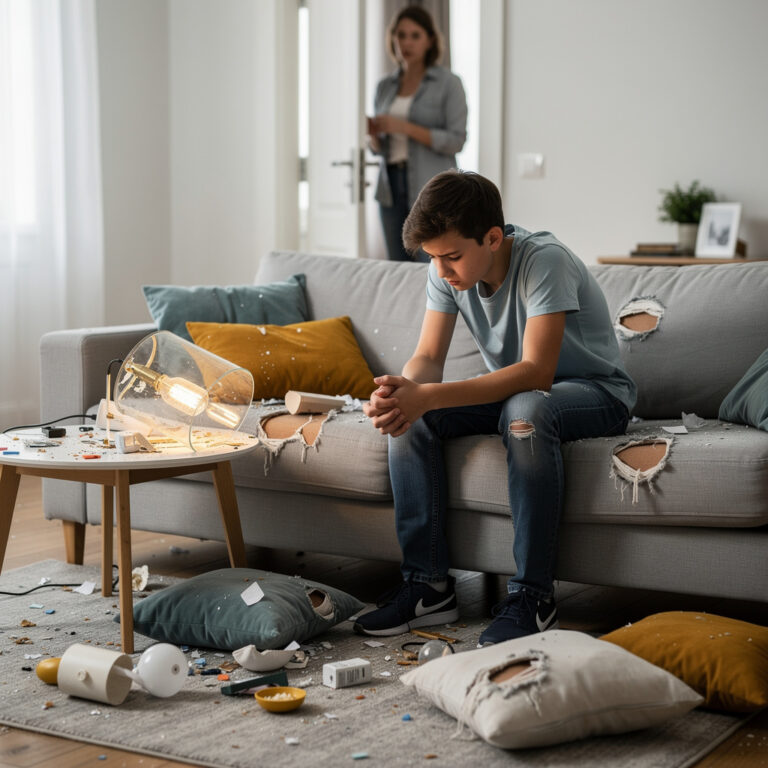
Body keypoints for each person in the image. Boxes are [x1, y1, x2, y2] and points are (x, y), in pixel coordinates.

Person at [355, 170, 637, 645]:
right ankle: (428, 587)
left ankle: (534, 597)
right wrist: (402, 393)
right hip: (516, 396)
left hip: (595, 393)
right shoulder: (443, 268)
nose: (442, 271)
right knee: (411, 418)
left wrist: (429, 396)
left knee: (526, 410)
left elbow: (536, 373)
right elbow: (427, 359)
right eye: (434, 259)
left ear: (492, 237)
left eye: (451, 257)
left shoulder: (544, 261)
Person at [368, 6, 467, 262]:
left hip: (431, 188)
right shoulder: (384, 87)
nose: (406, 42)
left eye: (415, 35)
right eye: (401, 35)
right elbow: (379, 148)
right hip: (389, 187)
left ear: (430, 40)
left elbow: (456, 140)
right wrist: (375, 138)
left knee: (432, 266)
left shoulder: (448, 83)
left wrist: (405, 127)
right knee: (396, 269)